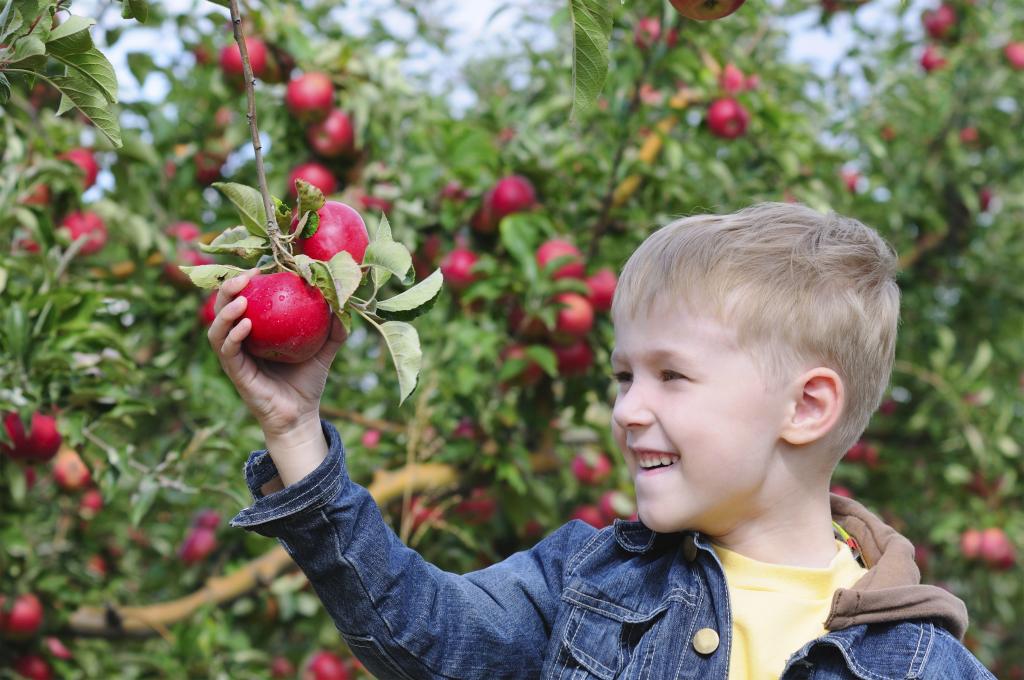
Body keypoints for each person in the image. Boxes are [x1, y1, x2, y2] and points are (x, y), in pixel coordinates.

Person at [210, 202, 994, 679]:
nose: (625, 410)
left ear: (807, 407)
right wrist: (295, 431)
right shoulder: (590, 580)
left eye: (671, 377)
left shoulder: (919, 666)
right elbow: (425, 635)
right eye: (624, 377)